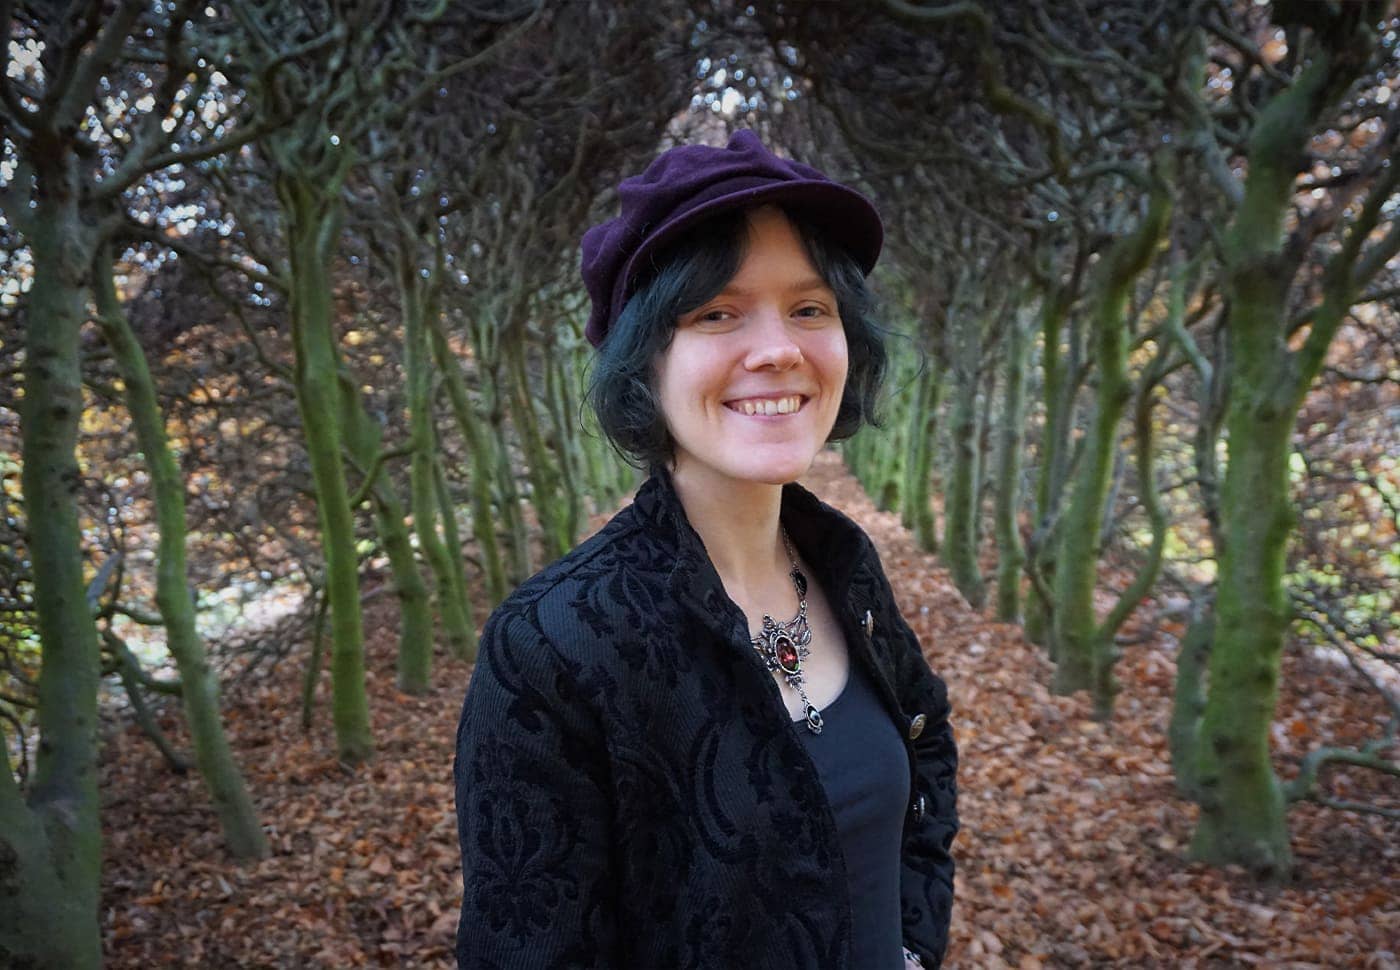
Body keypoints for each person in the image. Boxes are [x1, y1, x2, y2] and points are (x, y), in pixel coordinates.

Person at [454, 129, 958, 970]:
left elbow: (925, 744)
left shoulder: (842, 563)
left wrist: (911, 945)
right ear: (644, 362)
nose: (779, 349)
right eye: (717, 313)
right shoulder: (553, 649)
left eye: (809, 307)